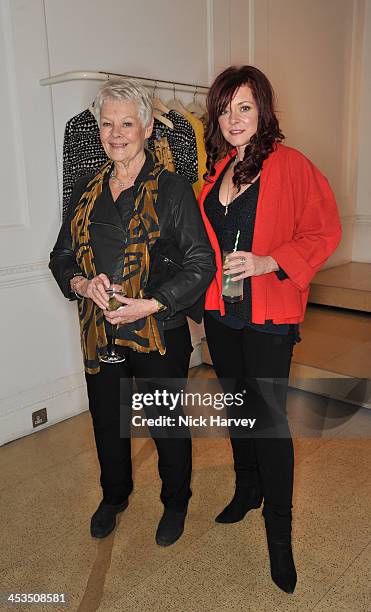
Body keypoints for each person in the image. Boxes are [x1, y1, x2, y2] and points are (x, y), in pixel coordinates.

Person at [49, 78, 215, 546]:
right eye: (107, 123)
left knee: (166, 425)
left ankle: (176, 501)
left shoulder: (172, 188)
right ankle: (114, 495)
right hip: (100, 329)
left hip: (157, 327)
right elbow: (61, 256)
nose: (115, 133)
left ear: (146, 128)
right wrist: (82, 282)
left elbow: (201, 262)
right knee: (106, 419)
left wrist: (154, 301)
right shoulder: (86, 188)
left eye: (126, 123)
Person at [198, 66, 341, 593]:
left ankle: (279, 537)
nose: (234, 119)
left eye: (245, 107)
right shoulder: (216, 172)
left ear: (263, 111)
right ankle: (246, 489)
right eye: (225, 108)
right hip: (222, 314)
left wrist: (268, 262)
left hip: (269, 316)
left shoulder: (292, 165)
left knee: (269, 421)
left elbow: (324, 229)